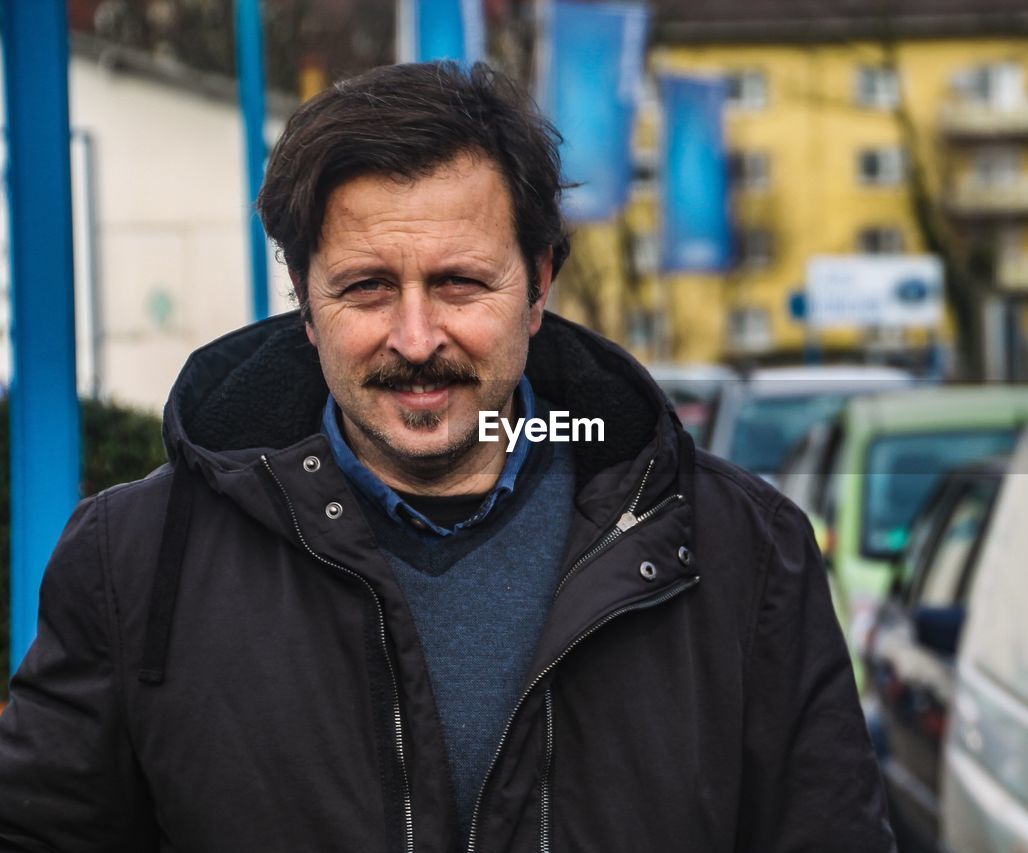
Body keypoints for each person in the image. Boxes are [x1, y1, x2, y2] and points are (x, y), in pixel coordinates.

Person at [0, 62, 894, 852]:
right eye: (367, 288)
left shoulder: (745, 553)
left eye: (460, 282)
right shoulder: (136, 559)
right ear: (305, 304)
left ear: (539, 284)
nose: (417, 337)